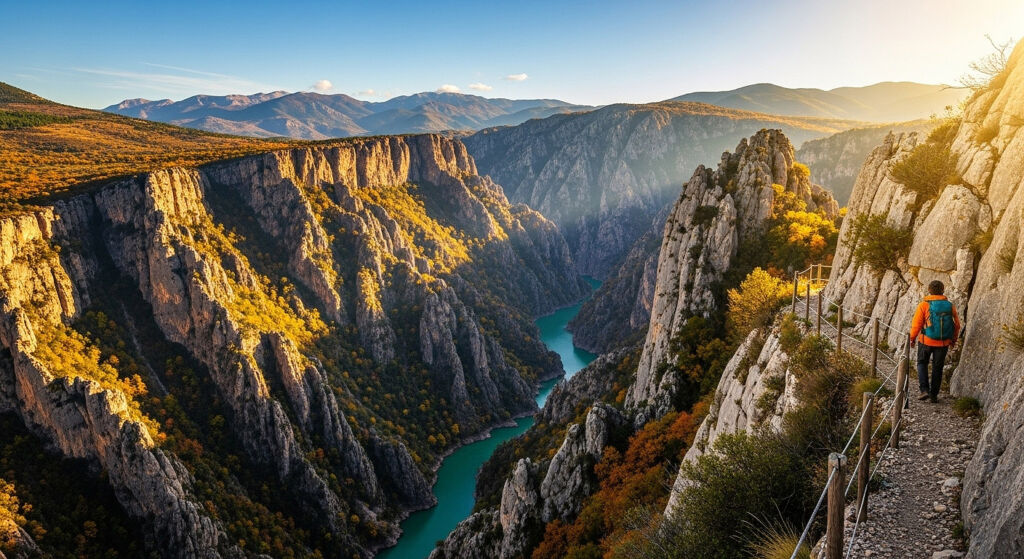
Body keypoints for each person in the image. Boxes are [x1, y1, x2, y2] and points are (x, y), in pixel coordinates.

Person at [909, 280, 961, 403]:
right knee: (938, 368)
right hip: (943, 343)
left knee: (922, 363)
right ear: (943, 290)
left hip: (926, 340)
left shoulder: (924, 305)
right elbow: (957, 325)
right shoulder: (950, 305)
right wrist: (953, 340)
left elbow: (916, 325)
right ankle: (934, 395)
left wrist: (911, 338)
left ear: (929, 290)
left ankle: (924, 390)